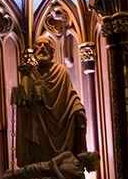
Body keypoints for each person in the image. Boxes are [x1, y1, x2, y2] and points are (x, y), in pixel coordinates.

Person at [13, 37, 87, 168]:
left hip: (60, 125)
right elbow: (24, 105)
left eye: (45, 45)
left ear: (51, 51)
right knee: (39, 163)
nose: (42, 47)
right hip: (39, 127)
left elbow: (70, 96)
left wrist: (78, 110)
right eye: (39, 45)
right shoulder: (29, 75)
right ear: (34, 50)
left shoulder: (61, 72)